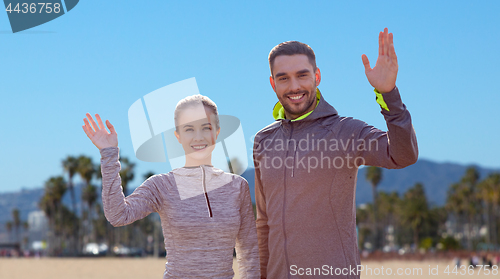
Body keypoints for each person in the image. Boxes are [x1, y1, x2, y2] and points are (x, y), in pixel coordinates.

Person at [253, 28, 418, 278]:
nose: (294, 86)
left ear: (317, 76)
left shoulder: (346, 131)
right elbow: (264, 223)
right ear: (272, 83)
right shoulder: (263, 140)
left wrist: (389, 95)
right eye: (283, 78)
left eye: (302, 75)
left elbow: (403, 155)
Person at [82, 94, 260, 278]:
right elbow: (118, 215)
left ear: (216, 132)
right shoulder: (161, 185)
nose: (198, 137)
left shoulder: (237, 186)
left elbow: (249, 251)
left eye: (205, 128)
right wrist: (108, 153)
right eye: (189, 129)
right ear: (178, 136)